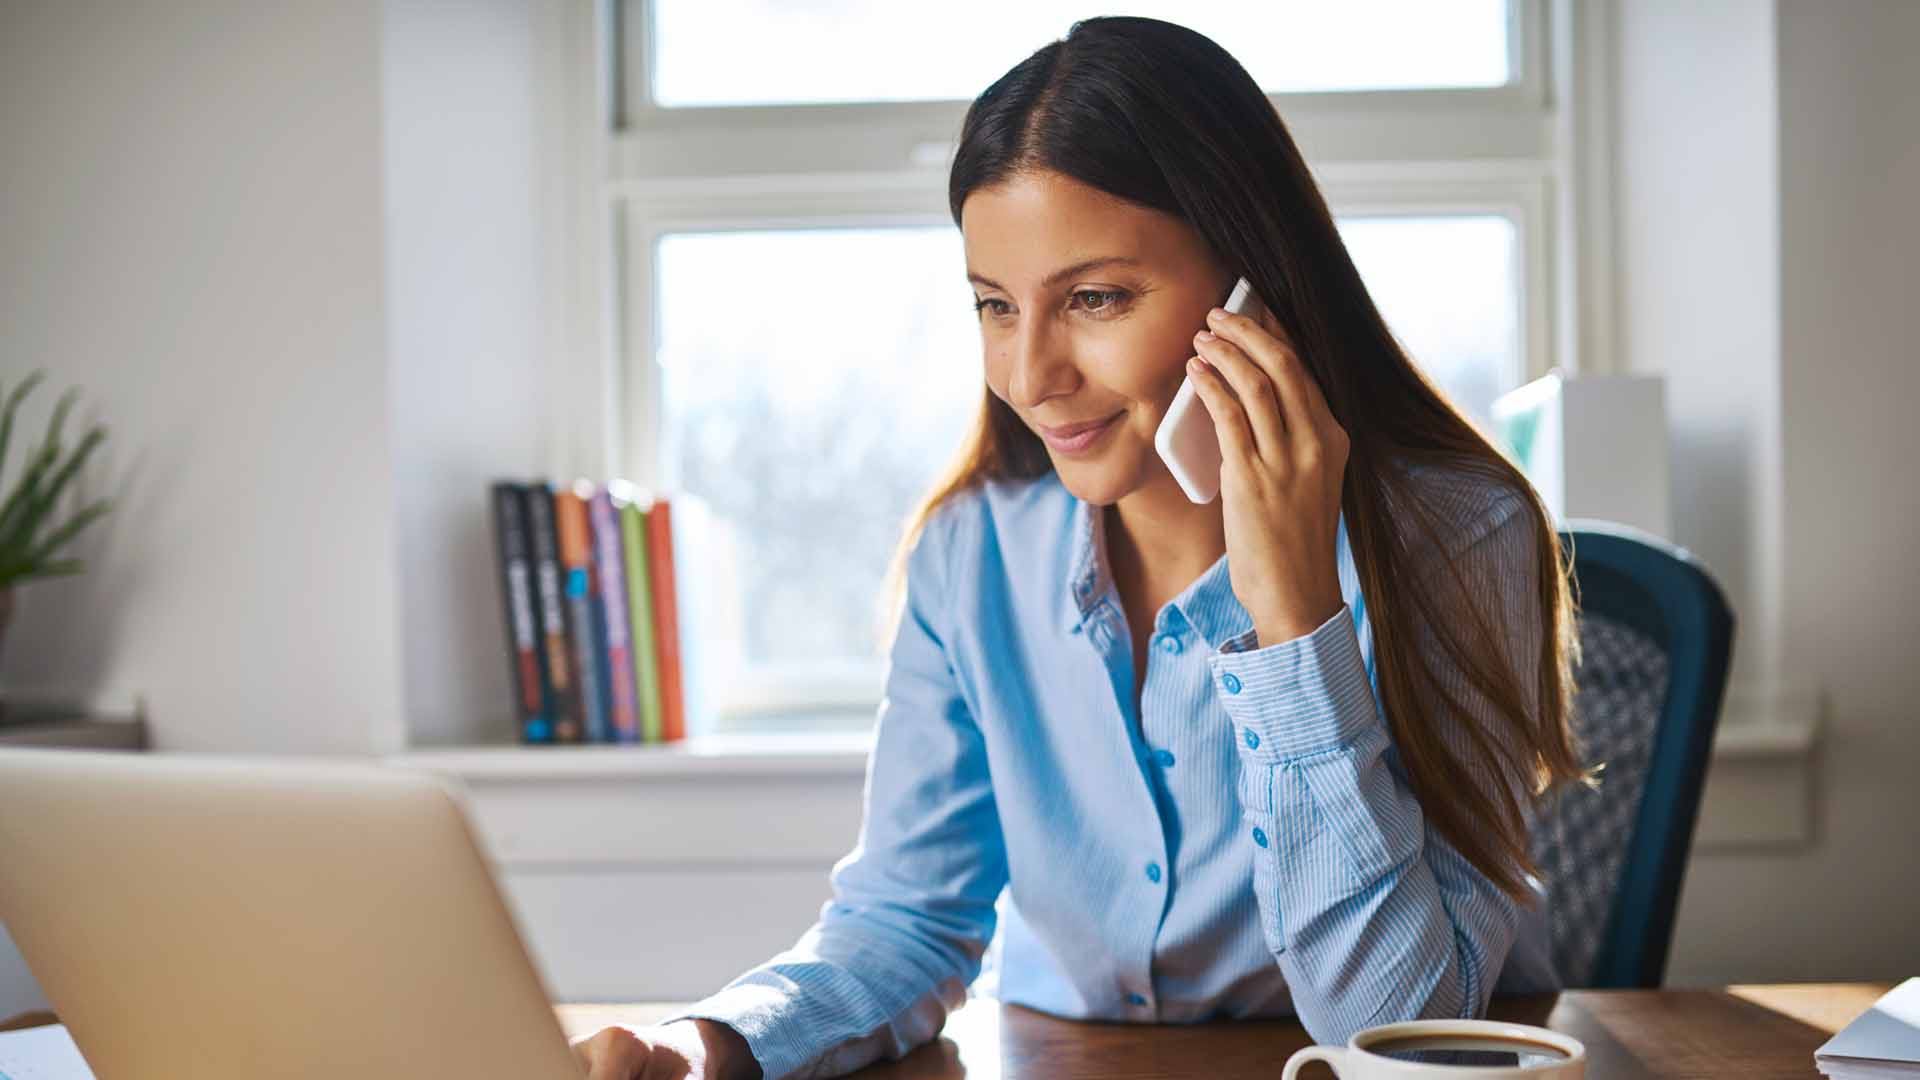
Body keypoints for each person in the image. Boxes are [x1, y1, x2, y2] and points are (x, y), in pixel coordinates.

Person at [570, 15, 1586, 1080]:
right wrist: (705, 1046)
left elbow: (1396, 1028)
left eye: (1095, 299)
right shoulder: (972, 553)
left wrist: (1293, 621)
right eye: (996, 307)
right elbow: (906, 923)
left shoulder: (1457, 536)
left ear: (1254, 286)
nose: (1030, 372)